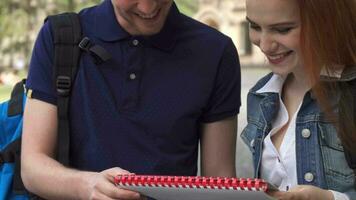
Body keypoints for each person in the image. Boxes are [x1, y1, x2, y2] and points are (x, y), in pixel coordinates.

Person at [21, 0, 241, 199]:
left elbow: (220, 181)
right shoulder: (59, 36)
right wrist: (88, 186)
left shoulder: (215, 51)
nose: (148, 8)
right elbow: (32, 166)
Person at [241, 0, 356, 199]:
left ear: (328, 21)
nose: (265, 45)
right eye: (255, 26)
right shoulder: (260, 94)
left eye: (283, 29)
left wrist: (329, 198)